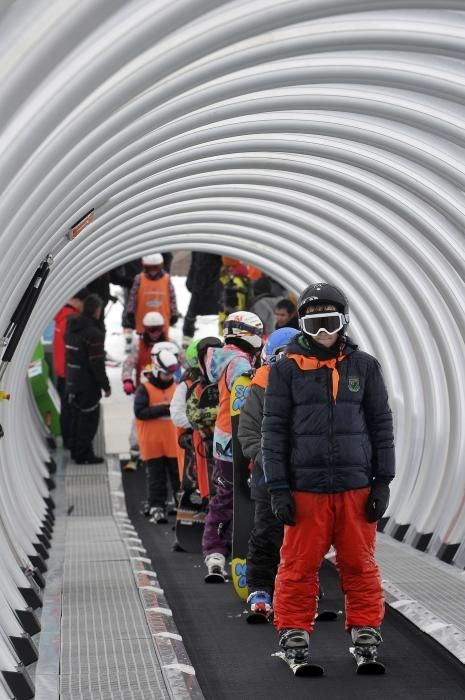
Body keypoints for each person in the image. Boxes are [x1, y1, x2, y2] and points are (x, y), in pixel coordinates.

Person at [262, 282, 395, 665]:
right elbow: (274, 431)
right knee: (299, 565)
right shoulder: (286, 370)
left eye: (330, 322)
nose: (323, 333)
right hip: (306, 490)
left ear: (344, 322)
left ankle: (366, 626)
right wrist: (279, 488)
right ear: (302, 326)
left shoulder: (365, 367)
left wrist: (382, 482)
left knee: (359, 563)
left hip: (355, 487)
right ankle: (293, 630)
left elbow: (381, 426)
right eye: (314, 324)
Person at [237, 326, 299, 619]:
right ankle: (259, 587)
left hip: (304, 475)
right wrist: (271, 461)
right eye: (283, 356)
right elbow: (248, 434)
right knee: (266, 530)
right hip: (268, 476)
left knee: (302, 534)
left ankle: (297, 588)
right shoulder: (260, 387)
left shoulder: (312, 383)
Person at [201, 311, 263, 582]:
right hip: (237, 439)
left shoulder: (224, 357)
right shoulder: (239, 363)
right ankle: (221, 547)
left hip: (223, 436)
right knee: (240, 497)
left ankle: (216, 549)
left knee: (226, 496)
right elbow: (247, 400)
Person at [134, 344, 181, 524]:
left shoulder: (176, 387)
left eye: (170, 375)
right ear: (156, 370)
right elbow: (140, 412)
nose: (168, 378)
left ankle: (179, 503)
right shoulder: (144, 390)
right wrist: (164, 409)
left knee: (176, 476)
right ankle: (156, 505)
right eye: (165, 374)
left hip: (172, 444)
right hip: (152, 444)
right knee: (156, 478)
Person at [65, 294, 112, 464]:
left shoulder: (71, 327)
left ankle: (76, 450)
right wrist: (105, 386)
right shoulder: (94, 334)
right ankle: (85, 454)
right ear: (97, 311)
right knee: (89, 419)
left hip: (72, 379)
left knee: (76, 417)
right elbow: (96, 363)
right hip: (88, 384)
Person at [121, 311, 168, 470]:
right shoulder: (137, 345)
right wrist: (127, 379)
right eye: (150, 330)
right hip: (144, 392)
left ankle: (169, 453)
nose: (154, 334)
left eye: (157, 329)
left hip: (166, 391)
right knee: (138, 424)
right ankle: (135, 454)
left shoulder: (170, 345)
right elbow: (128, 363)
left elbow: (182, 364)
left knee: (168, 422)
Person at [53, 287, 88, 449]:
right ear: (75, 300)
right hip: (71, 373)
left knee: (66, 408)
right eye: (82, 302)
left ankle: (68, 440)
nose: (83, 306)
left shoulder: (61, 318)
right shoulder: (71, 320)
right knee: (72, 410)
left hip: (61, 372)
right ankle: (72, 442)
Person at [125, 253, 178, 340]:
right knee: (144, 339)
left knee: (162, 338)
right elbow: (132, 296)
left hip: (162, 315)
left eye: (156, 267)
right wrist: (130, 311)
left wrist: (174, 313)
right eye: (149, 268)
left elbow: (172, 297)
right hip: (143, 315)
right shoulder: (139, 278)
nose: (153, 271)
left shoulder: (166, 279)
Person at [182, 252, 222, 347]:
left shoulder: (216, 244)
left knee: (221, 313)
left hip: (212, 284)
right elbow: (194, 264)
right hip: (199, 283)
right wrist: (190, 279)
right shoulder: (198, 245)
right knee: (191, 313)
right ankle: (186, 340)